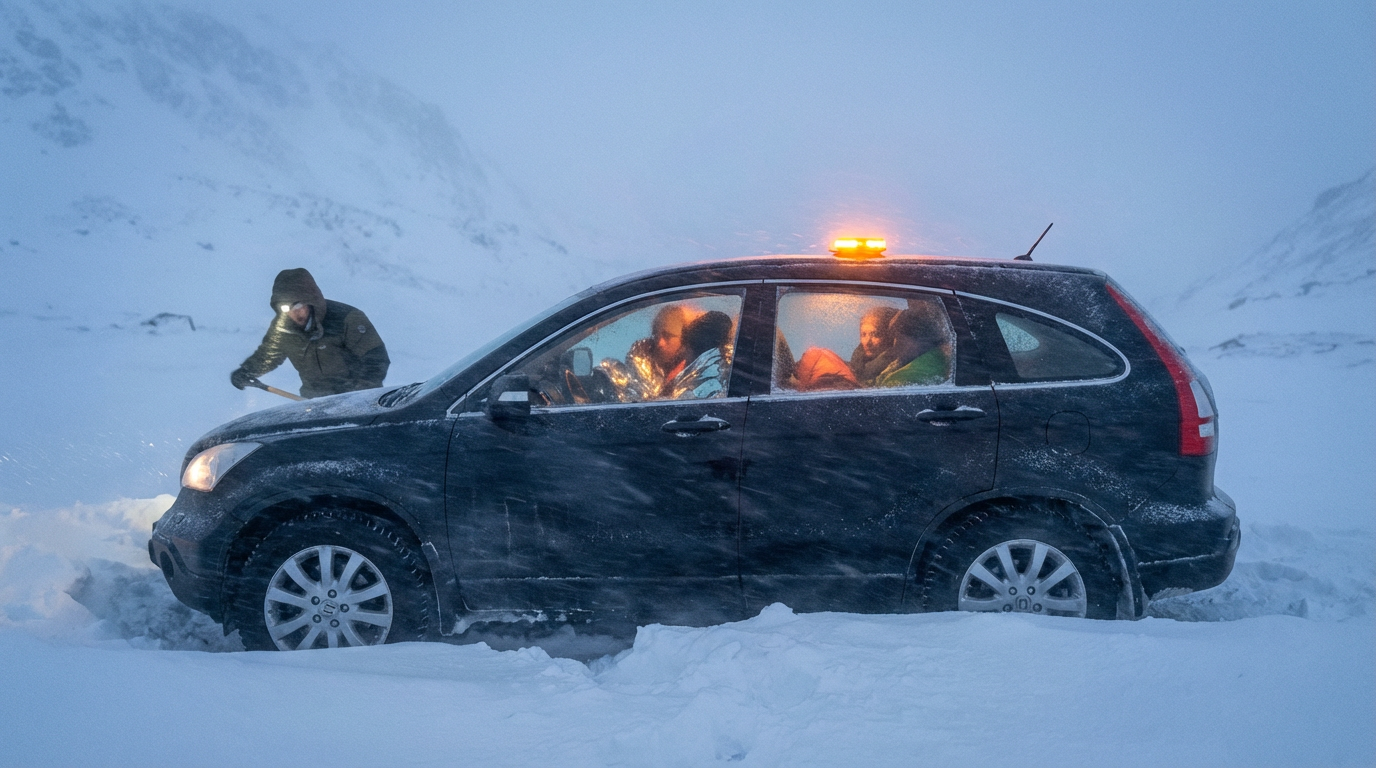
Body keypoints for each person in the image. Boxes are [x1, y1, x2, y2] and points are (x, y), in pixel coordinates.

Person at [230, 268, 390, 398]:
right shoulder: (283, 327)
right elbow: (268, 355)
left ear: (311, 301)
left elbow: (375, 359)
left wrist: (358, 394)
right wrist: (247, 371)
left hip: (357, 400)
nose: (295, 313)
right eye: (286, 308)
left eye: (298, 305)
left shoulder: (348, 319)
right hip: (313, 401)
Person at [874, 303, 951, 388]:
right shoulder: (943, 359)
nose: (895, 344)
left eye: (899, 338)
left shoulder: (900, 381)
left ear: (916, 339)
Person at [664, 310, 733, 399]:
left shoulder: (694, 387)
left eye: (683, 350)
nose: (682, 359)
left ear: (689, 347)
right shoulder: (725, 370)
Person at [849, 305, 900, 385]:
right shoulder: (852, 369)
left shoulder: (897, 372)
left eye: (875, 334)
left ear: (889, 337)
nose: (868, 342)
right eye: (863, 334)